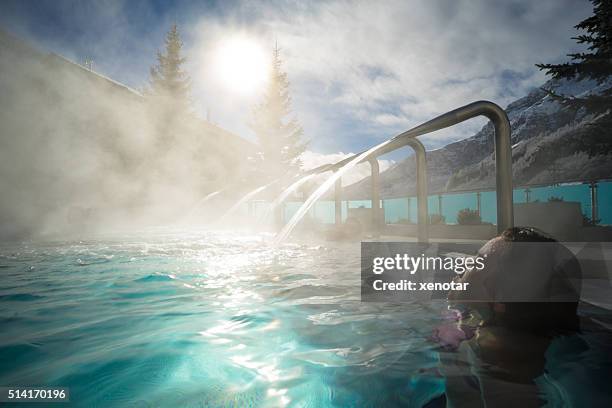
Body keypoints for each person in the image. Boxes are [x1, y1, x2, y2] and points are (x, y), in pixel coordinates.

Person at [441, 227, 582, 407]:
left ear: (492, 292)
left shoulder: (500, 357)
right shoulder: (516, 337)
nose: (461, 271)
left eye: (475, 263)